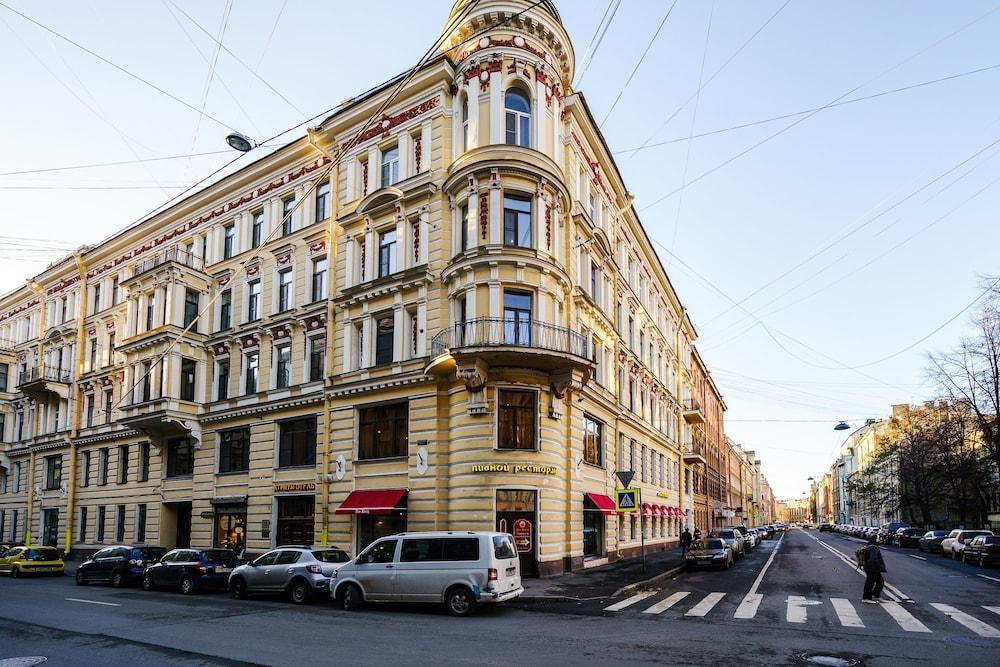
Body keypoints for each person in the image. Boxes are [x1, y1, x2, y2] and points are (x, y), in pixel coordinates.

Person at [859, 535, 886, 603]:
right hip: (872, 568)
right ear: (876, 540)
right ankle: (866, 598)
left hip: (871, 568)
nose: (881, 540)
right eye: (879, 539)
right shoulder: (873, 548)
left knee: (880, 582)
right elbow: (873, 559)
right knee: (870, 583)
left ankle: (875, 595)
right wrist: (878, 566)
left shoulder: (872, 546)